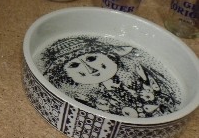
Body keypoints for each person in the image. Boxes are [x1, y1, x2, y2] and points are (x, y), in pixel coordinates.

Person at [38, 36, 180, 118]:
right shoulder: (88, 99)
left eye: (91, 58)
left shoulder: (144, 81)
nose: (90, 69)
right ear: (65, 76)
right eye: (74, 65)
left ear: (110, 56)